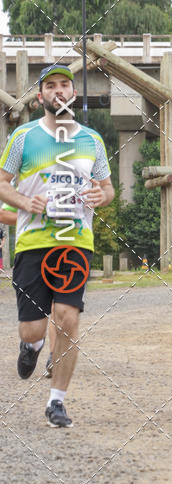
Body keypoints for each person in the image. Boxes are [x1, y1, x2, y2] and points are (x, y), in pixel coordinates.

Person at [0, 65, 114, 428]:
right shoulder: (23, 137)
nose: (59, 90)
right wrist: (24, 201)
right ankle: (31, 346)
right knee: (33, 328)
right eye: (51, 86)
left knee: (67, 318)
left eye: (65, 84)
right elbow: (2, 182)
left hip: (76, 241)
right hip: (33, 241)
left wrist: (102, 196)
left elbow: (107, 189)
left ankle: (57, 402)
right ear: (40, 97)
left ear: (74, 94)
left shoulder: (92, 140)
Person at [0, 202, 56, 376]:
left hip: (69, 250)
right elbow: (3, 214)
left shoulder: (76, 186)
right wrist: (36, 219)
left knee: (61, 308)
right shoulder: (27, 187)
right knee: (32, 326)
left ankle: (55, 357)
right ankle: (32, 344)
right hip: (32, 251)